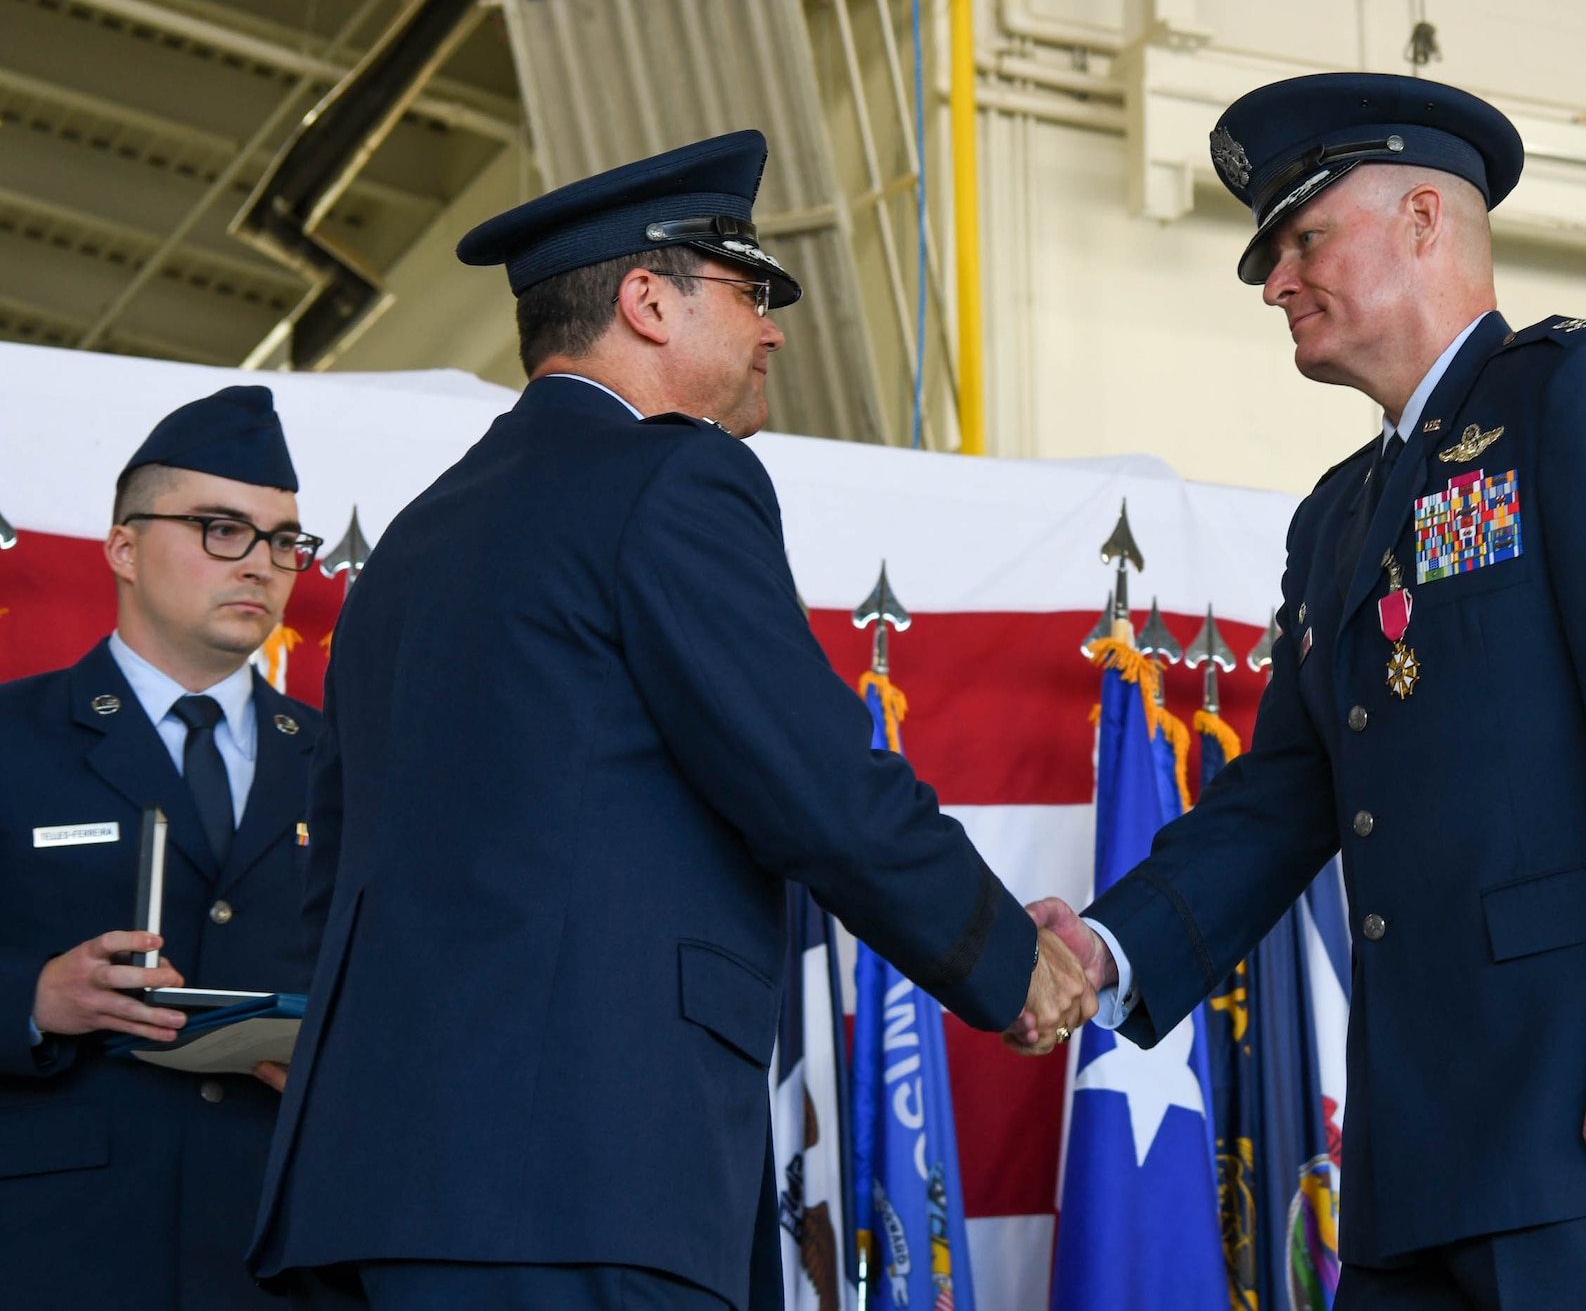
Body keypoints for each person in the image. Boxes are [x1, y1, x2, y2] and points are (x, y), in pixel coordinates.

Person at [249, 129, 1094, 1311]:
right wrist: (1008, 959)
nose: (772, 329)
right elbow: (815, 778)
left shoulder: (413, 543)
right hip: (577, 1176)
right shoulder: (668, 479)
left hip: (377, 1187)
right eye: (747, 290)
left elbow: (331, 860)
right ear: (647, 300)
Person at [1027, 74, 1586, 1309]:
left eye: (1302, 239)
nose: (1275, 281)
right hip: (1413, 1146)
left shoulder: (1574, 399)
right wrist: (1107, 946)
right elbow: (1282, 797)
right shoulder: (1336, 517)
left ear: (1425, 218)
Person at [0, 385, 325, 1309]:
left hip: (278, 1247)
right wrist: (34, 997)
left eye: (282, 540)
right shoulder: (12, 737)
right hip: (60, 1247)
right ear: (124, 548)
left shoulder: (348, 760)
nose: (261, 563)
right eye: (222, 529)